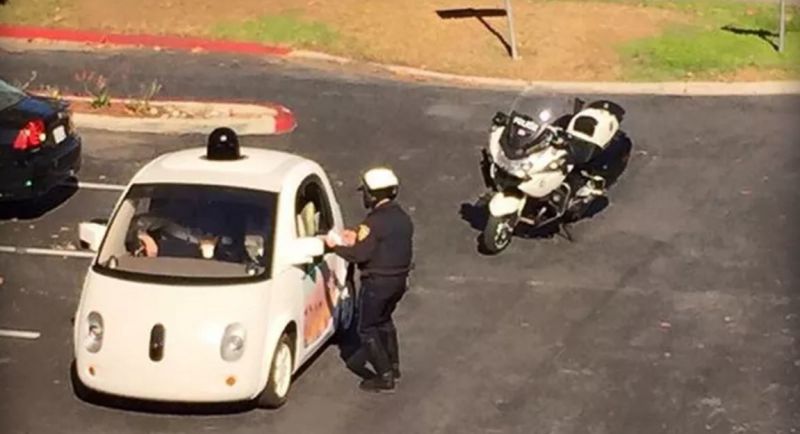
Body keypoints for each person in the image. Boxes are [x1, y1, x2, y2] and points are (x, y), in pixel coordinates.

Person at [325, 167, 414, 393]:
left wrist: (335, 247)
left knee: (366, 328)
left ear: (372, 195)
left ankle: (384, 376)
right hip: (399, 281)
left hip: (377, 283)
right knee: (384, 321)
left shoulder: (373, 222)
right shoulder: (402, 218)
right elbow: (382, 243)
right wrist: (357, 236)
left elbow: (360, 255)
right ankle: (393, 365)